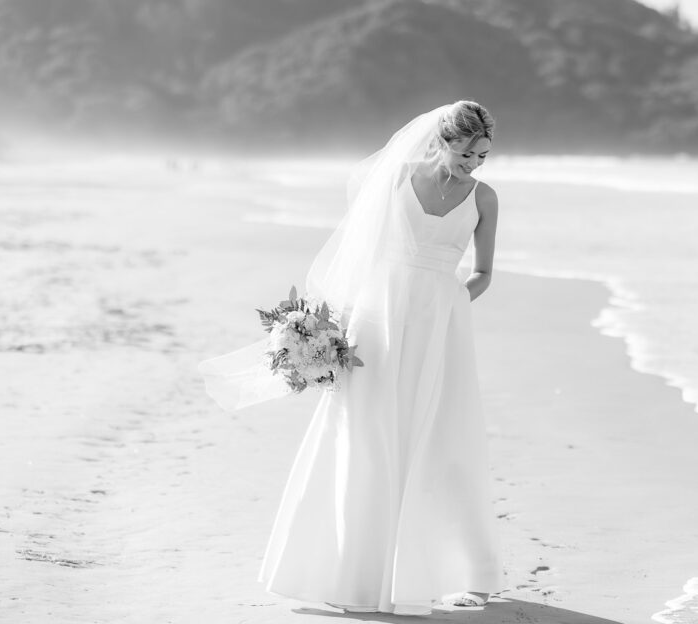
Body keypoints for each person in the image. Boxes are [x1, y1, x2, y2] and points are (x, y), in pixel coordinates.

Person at [197, 101, 503, 614]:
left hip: (440, 332)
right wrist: (330, 324)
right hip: (376, 323)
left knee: (437, 437)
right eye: (467, 152)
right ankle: (350, 571)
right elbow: (358, 252)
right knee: (363, 436)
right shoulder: (394, 179)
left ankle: (456, 571)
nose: (474, 163)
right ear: (441, 141)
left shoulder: (485, 198)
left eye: (483, 156)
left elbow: (483, 273)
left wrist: (450, 309)